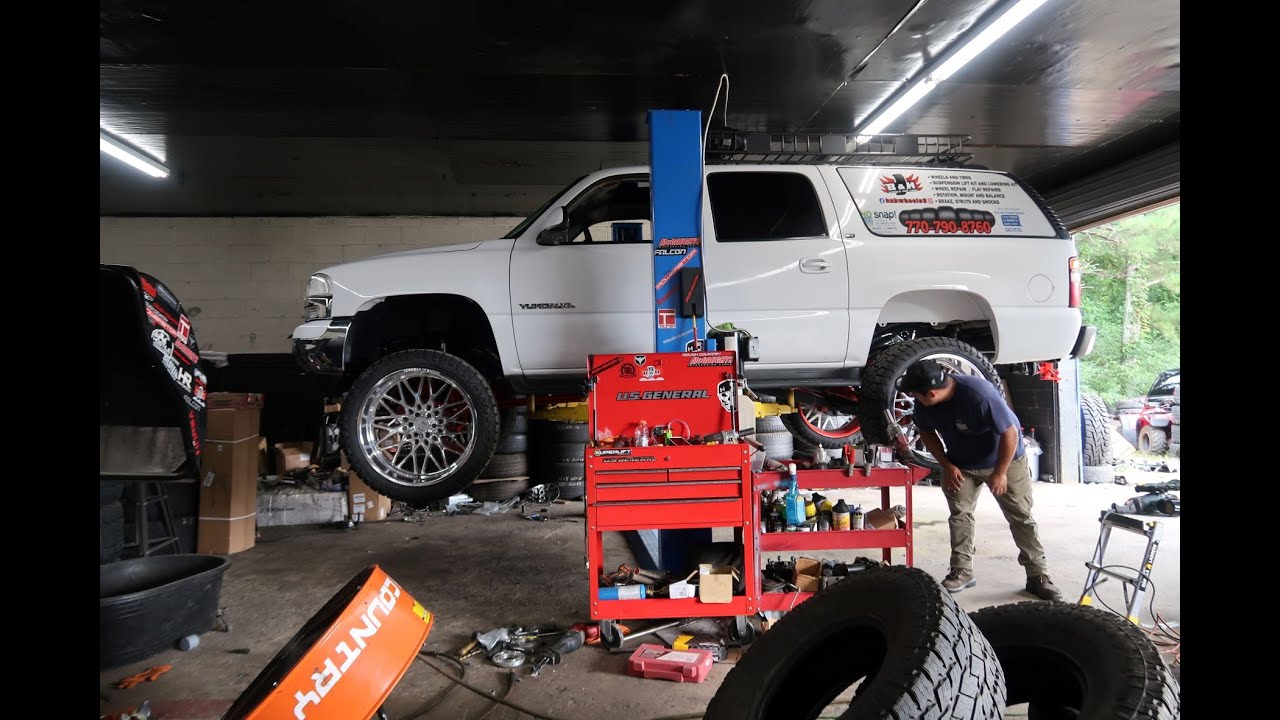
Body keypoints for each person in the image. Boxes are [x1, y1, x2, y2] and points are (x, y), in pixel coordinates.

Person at [897, 359, 1063, 601]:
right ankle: (962, 570)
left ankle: (1038, 576)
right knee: (960, 515)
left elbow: (1010, 433)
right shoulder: (925, 404)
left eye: (917, 395)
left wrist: (1000, 472)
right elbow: (926, 432)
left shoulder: (979, 395)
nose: (915, 400)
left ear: (932, 393)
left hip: (1005, 460)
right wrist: (947, 465)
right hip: (961, 464)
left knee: (1021, 516)